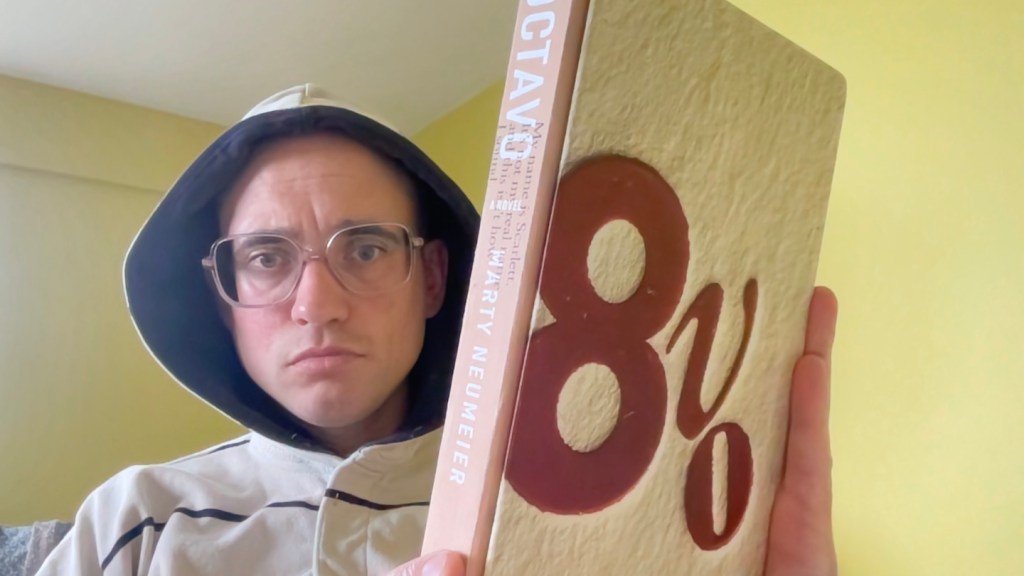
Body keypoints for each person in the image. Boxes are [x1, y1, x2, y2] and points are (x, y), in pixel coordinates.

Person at [36, 84, 839, 576]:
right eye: (267, 258)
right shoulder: (132, 524)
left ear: (432, 280)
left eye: (365, 248)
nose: (317, 304)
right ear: (224, 299)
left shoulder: (554, 503)